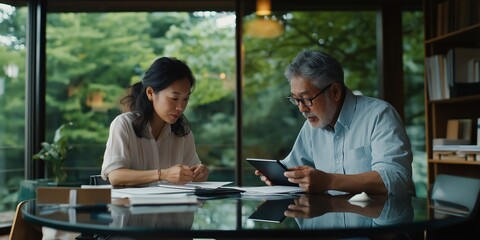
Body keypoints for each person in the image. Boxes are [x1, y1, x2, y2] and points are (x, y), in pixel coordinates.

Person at [256, 50, 414, 196]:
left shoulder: (379, 115)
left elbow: (396, 178)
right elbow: (295, 170)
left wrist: (328, 181)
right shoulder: (312, 125)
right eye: (296, 100)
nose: (302, 108)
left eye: (306, 99)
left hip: (378, 222)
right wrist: (278, 176)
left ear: (335, 91)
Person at [101, 57, 209, 186]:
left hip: (173, 205)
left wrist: (199, 173)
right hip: (131, 205)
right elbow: (115, 176)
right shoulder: (124, 124)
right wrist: (162, 174)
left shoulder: (183, 134)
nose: (181, 107)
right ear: (151, 93)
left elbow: (192, 173)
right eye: (174, 98)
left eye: (185, 99)